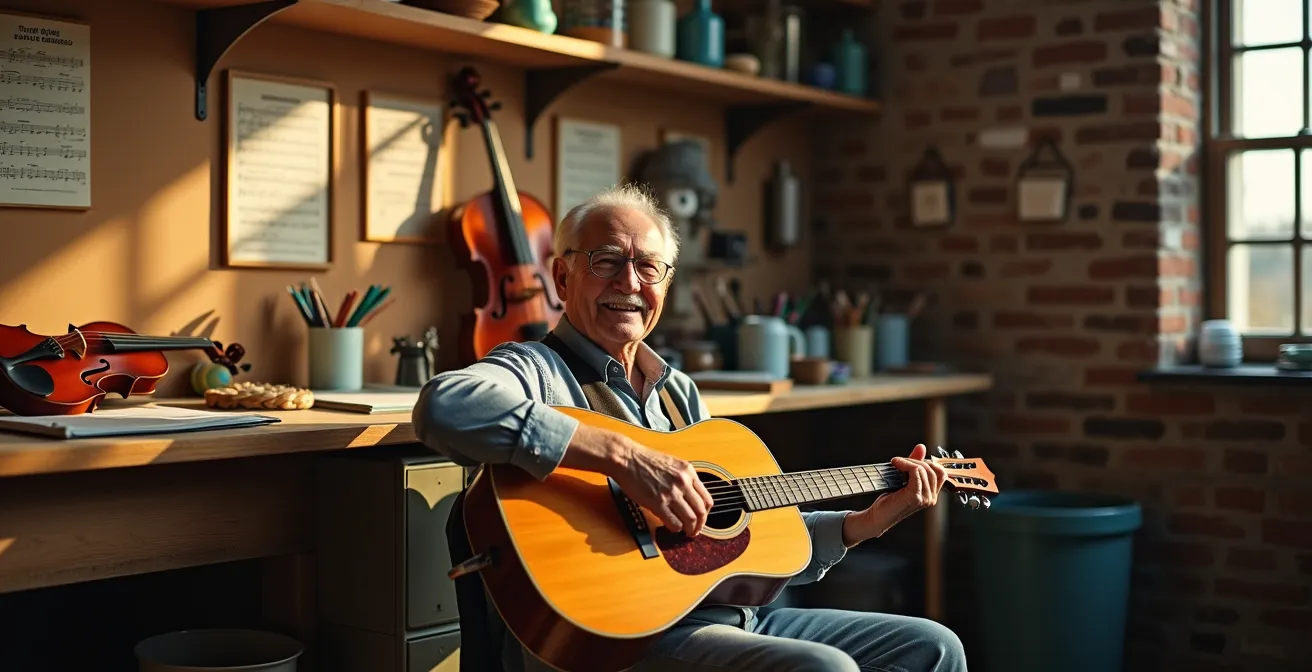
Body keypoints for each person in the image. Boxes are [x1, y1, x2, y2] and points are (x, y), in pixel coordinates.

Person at [413, 183, 968, 672]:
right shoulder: (535, 368)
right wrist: (625, 460)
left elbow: (741, 538)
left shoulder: (678, 392)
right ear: (561, 275)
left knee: (932, 648)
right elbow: (444, 406)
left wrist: (864, 522)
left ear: (665, 283)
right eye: (606, 261)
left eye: (648, 267)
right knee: (823, 669)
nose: (629, 281)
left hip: (728, 618)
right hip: (623, 639)